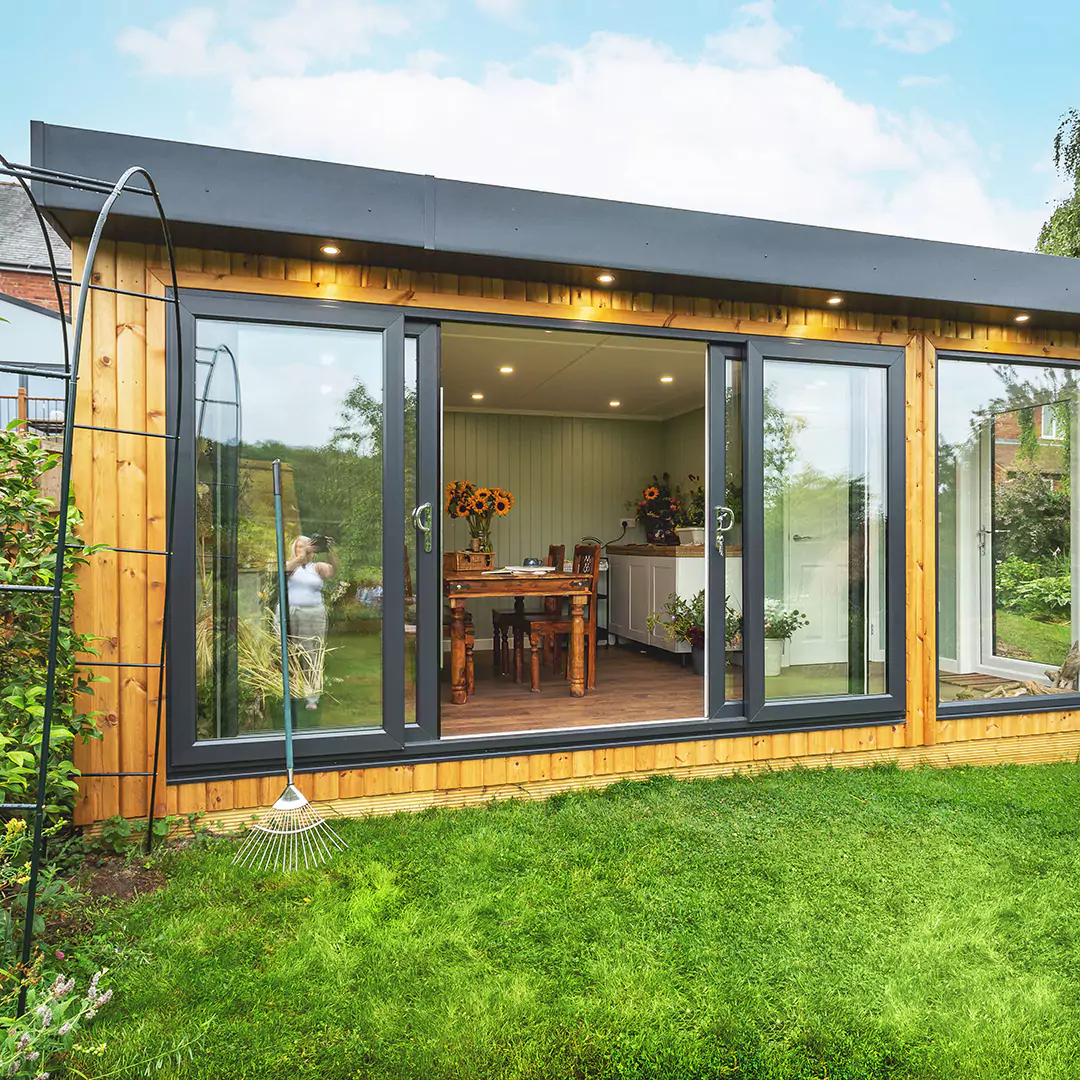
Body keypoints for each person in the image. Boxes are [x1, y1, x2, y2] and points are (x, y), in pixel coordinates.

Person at [281, 535, 337, 710]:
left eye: (307, 546)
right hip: (294, 615)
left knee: (312, 653)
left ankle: (312, 696)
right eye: (299, 546)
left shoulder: (316, 567)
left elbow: (333, 571)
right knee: (291, 653)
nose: (303, 549)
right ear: (294, 549)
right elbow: (283, 572)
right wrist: (301, 555)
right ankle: (290, 692)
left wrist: (330, 551)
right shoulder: (290, 566)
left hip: (315, 615)